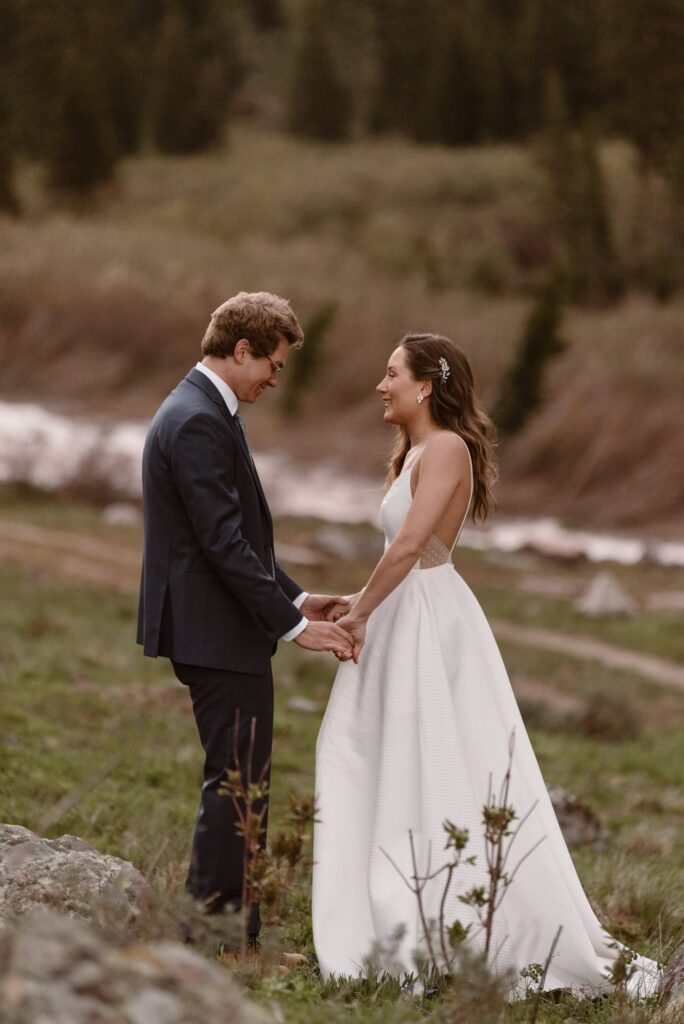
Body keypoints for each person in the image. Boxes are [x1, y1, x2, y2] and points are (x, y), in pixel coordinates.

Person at [312, 333, 660, 996]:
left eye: (391, 374)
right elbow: (399, 552)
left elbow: (412, 545)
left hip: (426, 619)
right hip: (404, 610)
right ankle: (389, 910)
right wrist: (358, 601)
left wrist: (360, 616)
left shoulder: (445, 448)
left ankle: (442, 922)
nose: (381, 385)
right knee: (378, 751)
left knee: (429, 758)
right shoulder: (417, 451)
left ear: (424, 386)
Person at [137, 291, 352, 942]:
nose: (274, 380)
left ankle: (226, 932)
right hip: (215, 632)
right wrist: (295, 627)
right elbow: (222, 543)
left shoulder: (203, 408)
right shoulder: (199, 420)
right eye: (273, 365)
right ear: (240, 350)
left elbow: (235, 542)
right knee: (236, 784)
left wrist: (296, 598)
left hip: (218, 627)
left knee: (241, 781)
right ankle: (217, 935)